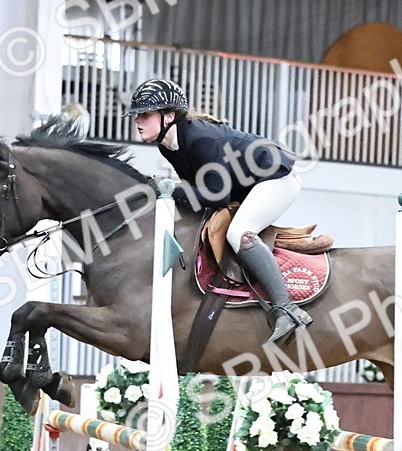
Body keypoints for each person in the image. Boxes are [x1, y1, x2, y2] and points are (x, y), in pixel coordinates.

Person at [127, 78, 311, 345]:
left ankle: (287, 309)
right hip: (247, 185)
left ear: (169, 115)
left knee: (239, 233)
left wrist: (164, 189)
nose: (137, 120)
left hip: (276, 179)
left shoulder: (200, 138)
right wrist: (167, 191)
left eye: (144, 114)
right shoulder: (167, 144)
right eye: (136, 115)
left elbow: (215, 195)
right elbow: (194, 190)